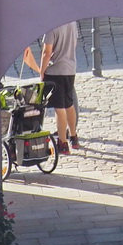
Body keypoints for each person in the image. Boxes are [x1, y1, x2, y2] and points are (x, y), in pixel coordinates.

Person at [24, 25, 81, 155]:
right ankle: (74, 137)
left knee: (59, 108)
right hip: (70, 69)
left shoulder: (52, 28)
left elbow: (47, 52)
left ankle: (63, 143)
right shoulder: (72, 23)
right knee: (69, 104)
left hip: (55, 71)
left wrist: (42, 72)